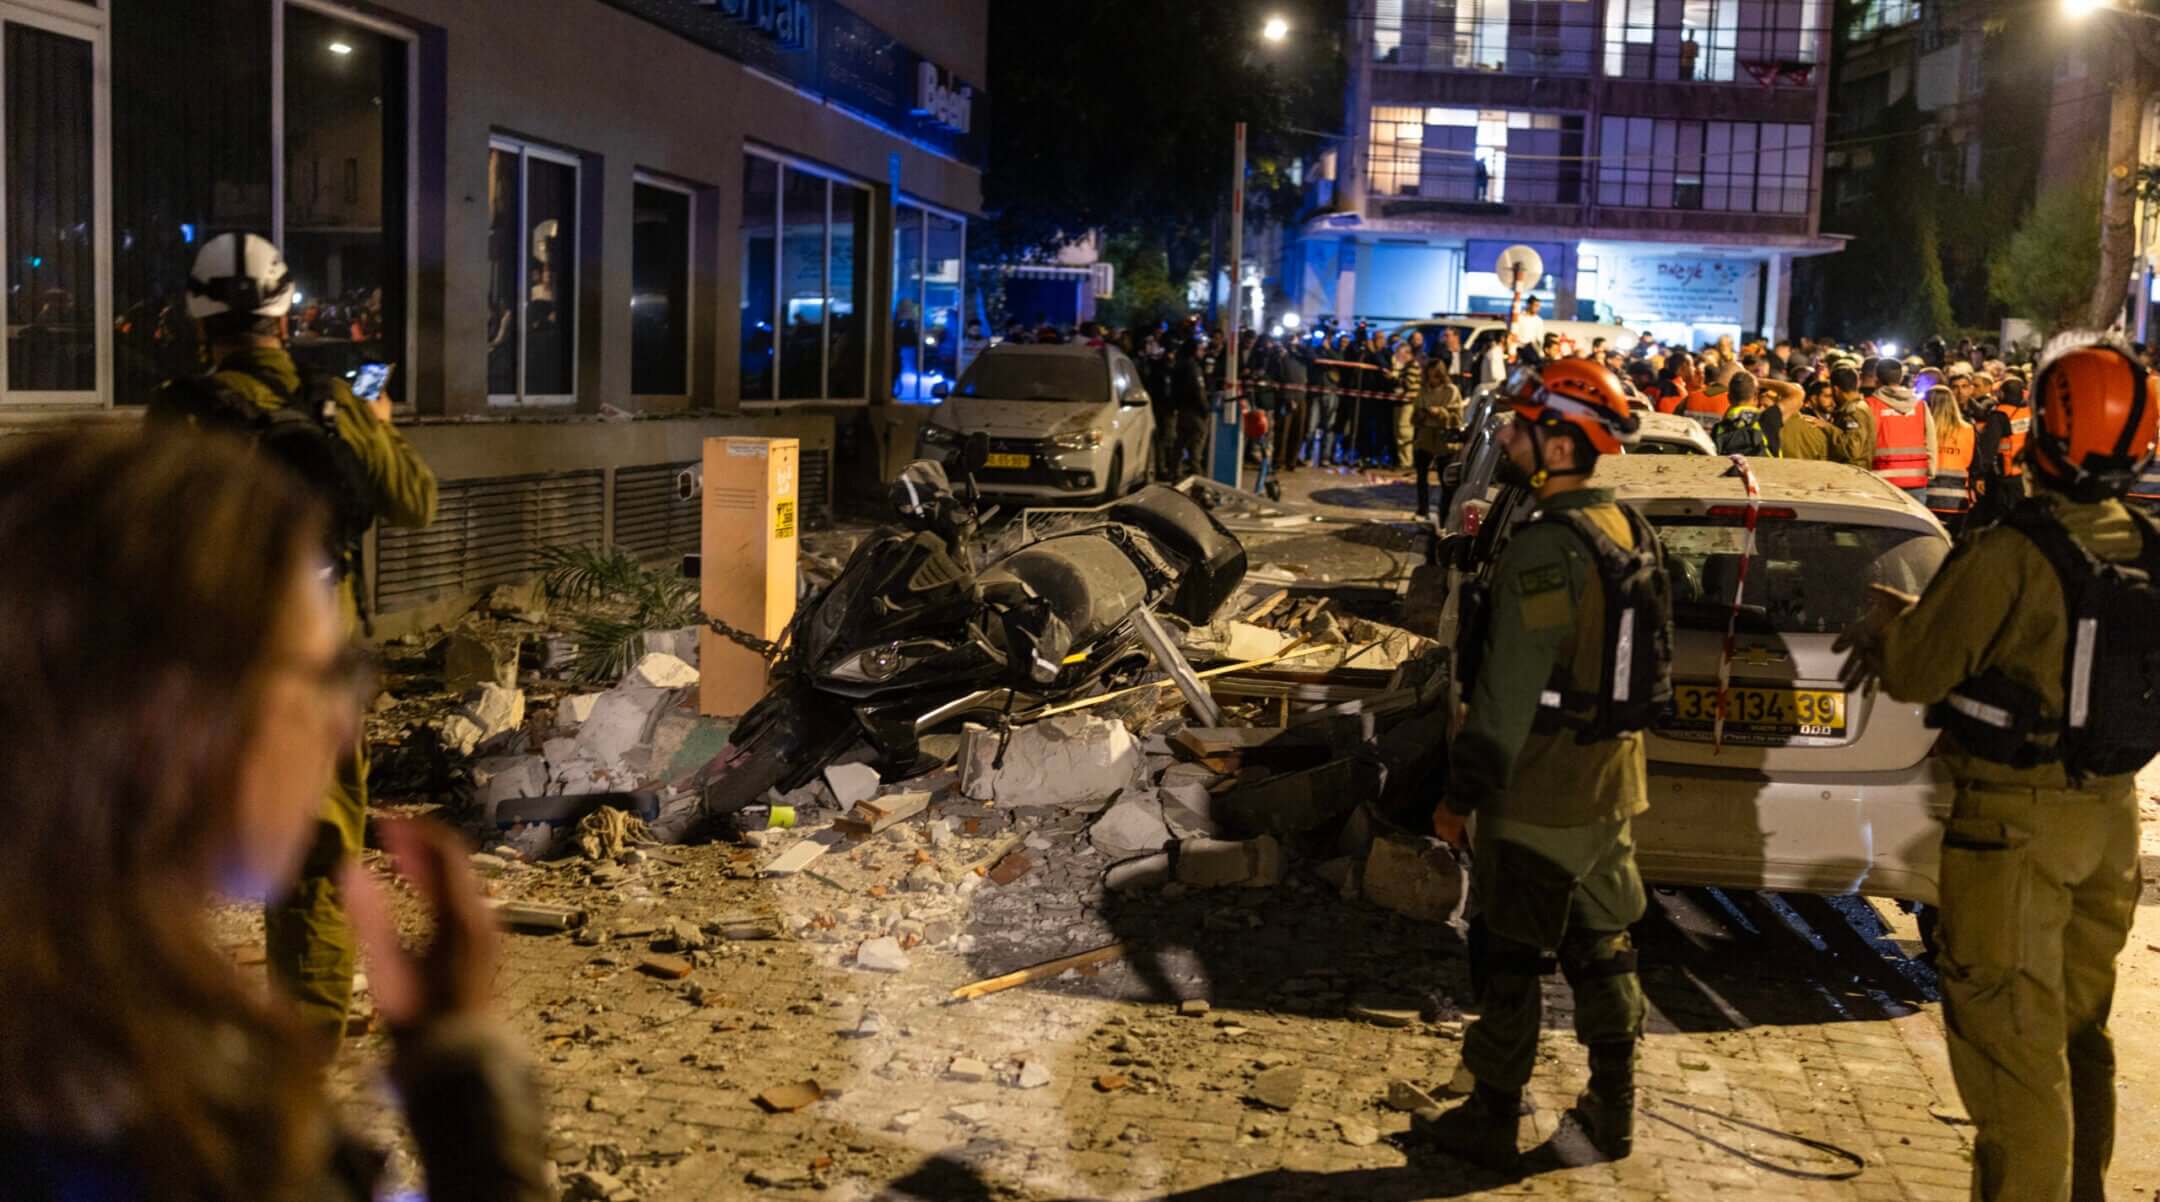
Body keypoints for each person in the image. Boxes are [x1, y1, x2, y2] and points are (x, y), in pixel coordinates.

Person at [0, 431, 545, 1201]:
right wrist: (466, 1086)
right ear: (178, 720)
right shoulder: (175, 1137)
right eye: (330, 673)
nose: (347, 726)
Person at [1839, 337, 2160, 1202]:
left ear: (2044, 437)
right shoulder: (2144, 544)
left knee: (2015, 1057)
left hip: (2016, 832)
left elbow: (1915, 670)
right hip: (2108, 824)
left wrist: (1891, 628)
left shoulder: (2013, 549)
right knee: (2075, 1035)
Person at [148, 232, 437, 1048]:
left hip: (210, 658)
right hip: (316, 659)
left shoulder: (178, 411)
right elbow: (416, 502)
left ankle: (157, 1031)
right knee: (317, 844)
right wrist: (380, 425)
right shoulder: (332, 401)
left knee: (173, 835)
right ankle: (302, 1045)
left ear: (199, 317)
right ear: (286, 311)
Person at [1422, 358, 1668, 1170]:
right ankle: (1613, 1107)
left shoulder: (1546, 550)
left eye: (1523, 426)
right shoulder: (1630, 528)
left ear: (1560, 445)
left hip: (1541, 789)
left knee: (1505, 950)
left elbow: (1506, 698)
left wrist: (1459, 798)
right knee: (1605, 942)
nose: (1509, 435)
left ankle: (1492, 1115)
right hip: (1613, 783)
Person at [1971, 372, 2032, 529]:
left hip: (2003, 474)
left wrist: (1979, 475)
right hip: (2024, 473)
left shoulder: (2000, 415)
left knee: (2001, 517)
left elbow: (1988, 448)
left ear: (2002, 393)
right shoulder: (2028, 413)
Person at [1412, 359, 1464, 518]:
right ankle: (1423, 509)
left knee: (1446, 481)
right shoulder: (1424, 390)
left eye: (1434, 376)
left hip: (1443, 439)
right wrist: (1422, 414)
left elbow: (1457, 417)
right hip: (1425, 437)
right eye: (1429, 376)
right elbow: (1415, 415)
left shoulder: (1451, 390)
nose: (1431, 380)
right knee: (1421, 477)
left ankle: (1444, 515)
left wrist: (1440, 413)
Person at [1926, 383, 1976, 535]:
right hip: (1957, 498)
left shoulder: (1924, 429)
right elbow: (1975, 463)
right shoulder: (1968, 429)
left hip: (1927, 496)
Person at [1169, 334, 1211, 480]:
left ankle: (1175, 477)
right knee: (1195, 453)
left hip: (1182, 411)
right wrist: (1206, 409)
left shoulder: (1178, 365)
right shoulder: (1193, 367)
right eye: (1200, 349)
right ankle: (1200, 488)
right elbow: (1198, 391)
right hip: (1195, 414)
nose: (1203, 352)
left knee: (1179, 446)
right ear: (1194, 350)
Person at [1825, 364, 1877, 469]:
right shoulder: (1857, 407)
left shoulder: (1854, 412)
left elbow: (1852, 449)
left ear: (1835, 389)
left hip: (1854, 474)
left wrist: (1828, 428)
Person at [1710, 371, 1772, 456]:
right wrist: (1760, 381)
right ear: (1756, 396)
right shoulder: (1768, 420)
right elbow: (1795, 393)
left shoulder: (1718, 429)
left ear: (1728, 398)